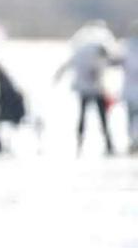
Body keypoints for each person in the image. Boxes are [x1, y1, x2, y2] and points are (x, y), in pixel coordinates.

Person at [54, 20, 116, 156]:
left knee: (87, 117)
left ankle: (84, 144)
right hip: (93, 89)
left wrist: (58, 75)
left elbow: (68, 64)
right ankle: (105, 144)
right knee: (99, 117)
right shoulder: (95, 49)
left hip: (87, 88)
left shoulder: (83, 48)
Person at [121, 21, 138, 153]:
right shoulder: (127, 46)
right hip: (131, 89)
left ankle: (134, 140)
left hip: (131, 89)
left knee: (132, 116)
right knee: (132, 116)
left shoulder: (126, 46)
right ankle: (133, 141)